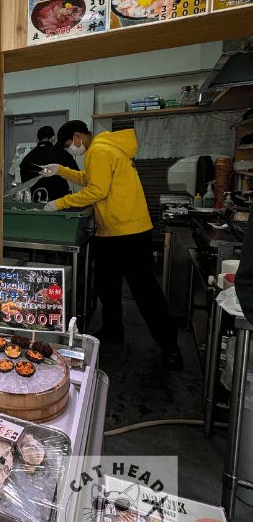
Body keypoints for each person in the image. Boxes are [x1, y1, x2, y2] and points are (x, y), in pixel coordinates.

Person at [41, 119, 182, 369]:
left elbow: (97, 190)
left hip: (129, 232)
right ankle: (112, 329)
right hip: (111, 231)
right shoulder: (104, 148)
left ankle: (170, 345)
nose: (71, 150)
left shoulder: (99, 150)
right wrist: (61, 170)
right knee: (107, 284)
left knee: (145, 291)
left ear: (77, 137)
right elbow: (88, 179)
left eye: (68, 145)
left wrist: (59, 203)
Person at [19, 125, 78, 201]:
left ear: (37, 140)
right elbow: (77, 175)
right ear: (53, 138)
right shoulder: (63, 154)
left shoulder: (27, 158)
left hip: (35, 202)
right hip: (59, 201)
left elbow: (24, 182)